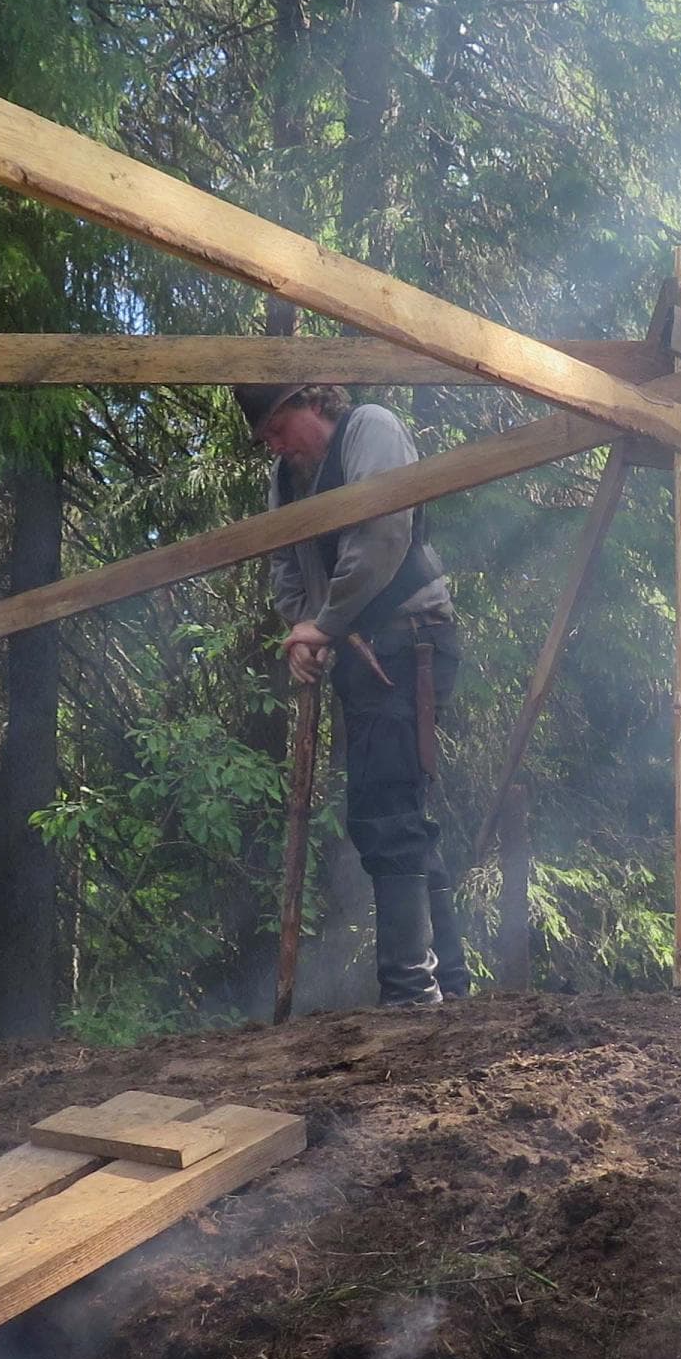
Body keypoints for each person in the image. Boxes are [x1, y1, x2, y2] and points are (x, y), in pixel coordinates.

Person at [240, 380, 469, 1006]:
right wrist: (305, 629)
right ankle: (444, 983)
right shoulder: (288, 480)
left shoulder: (370, 428)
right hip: (361, 653)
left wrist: (327, 621)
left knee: (388, 811)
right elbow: (286, 567)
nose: (275, 445)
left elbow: (381, 536)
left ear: (312, 401)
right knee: (395, 809)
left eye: (279, 429)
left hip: (408, 642)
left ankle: (410, 993)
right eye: (265, 438)